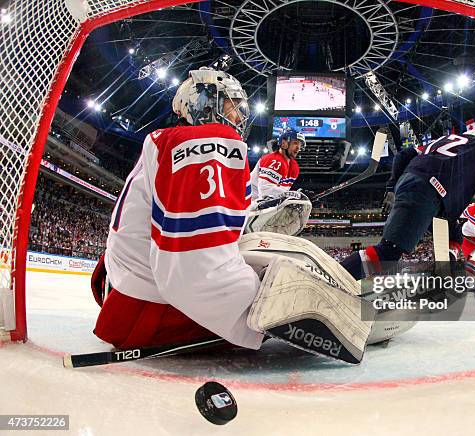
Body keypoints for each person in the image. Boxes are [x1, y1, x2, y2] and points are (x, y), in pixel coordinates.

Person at [90, 68, 368, 363]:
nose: (239, 116)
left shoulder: (169, 140)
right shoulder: (206, 140)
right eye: (232, 106)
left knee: (270, 255)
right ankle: (371, 308)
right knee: (293, 267)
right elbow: (193, 271)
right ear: (203, 103)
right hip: (149, 312)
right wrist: (271, 312)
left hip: (131, 294)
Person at [340, 122, 475, 280]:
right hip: (426, 190)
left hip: (424, 192)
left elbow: (404, 155)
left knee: (454, 235)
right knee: (389, 252)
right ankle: (337, 278)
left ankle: (444, 278)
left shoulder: (437, 142)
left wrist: (392, 188)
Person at [245, 128, 310, 236]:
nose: (298, 148)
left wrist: (295, 197)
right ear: (284, 143)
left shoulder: (294, 167)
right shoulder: (273, 160)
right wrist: (293, 196)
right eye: (295, 143)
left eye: (299, 144)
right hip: (249, 205)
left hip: (262, 208)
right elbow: (266, 193)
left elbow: (281, 194)